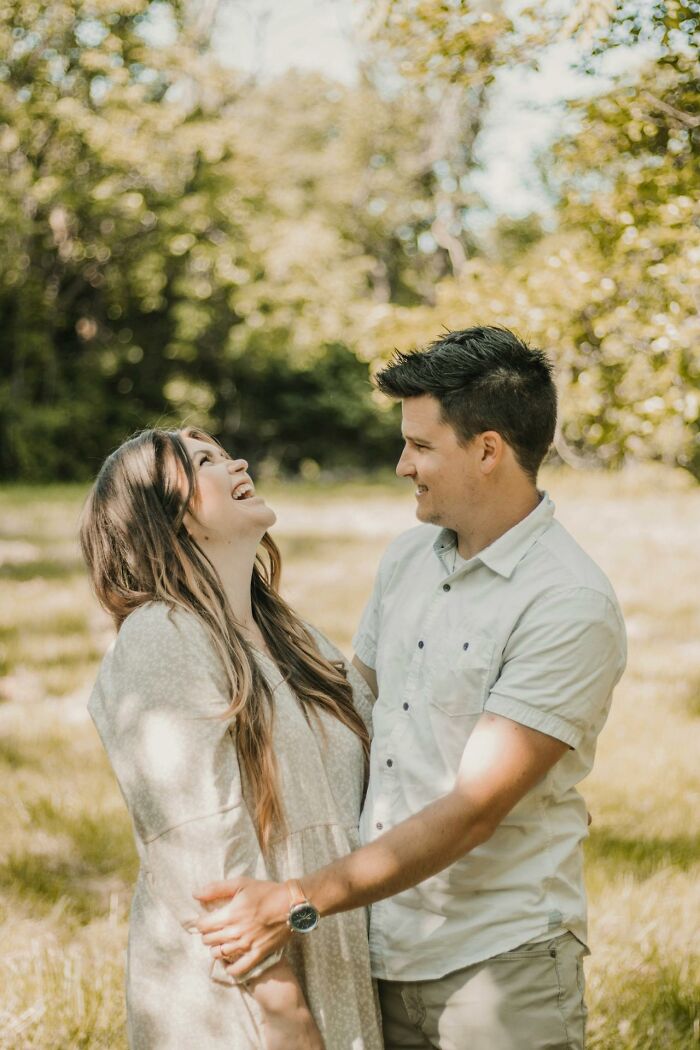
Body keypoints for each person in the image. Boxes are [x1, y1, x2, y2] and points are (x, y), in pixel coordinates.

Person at [194, 327, 627, 1050]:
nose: (402, 465)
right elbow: (352, 711)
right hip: (380, 949)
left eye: (421, 446)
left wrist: (296, 901)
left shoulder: (567, 604)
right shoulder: (407, 559)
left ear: (488, 450)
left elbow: (473, 811)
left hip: (500, 966)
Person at [80, 426, 383, 1050]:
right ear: (168, 516)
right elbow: (199, 842)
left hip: (327, 941)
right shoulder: (162, 636)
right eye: (204, 462)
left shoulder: (295, 637)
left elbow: (387, 758)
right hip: (238, 990)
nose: (238, 462)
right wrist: (281, 1005)